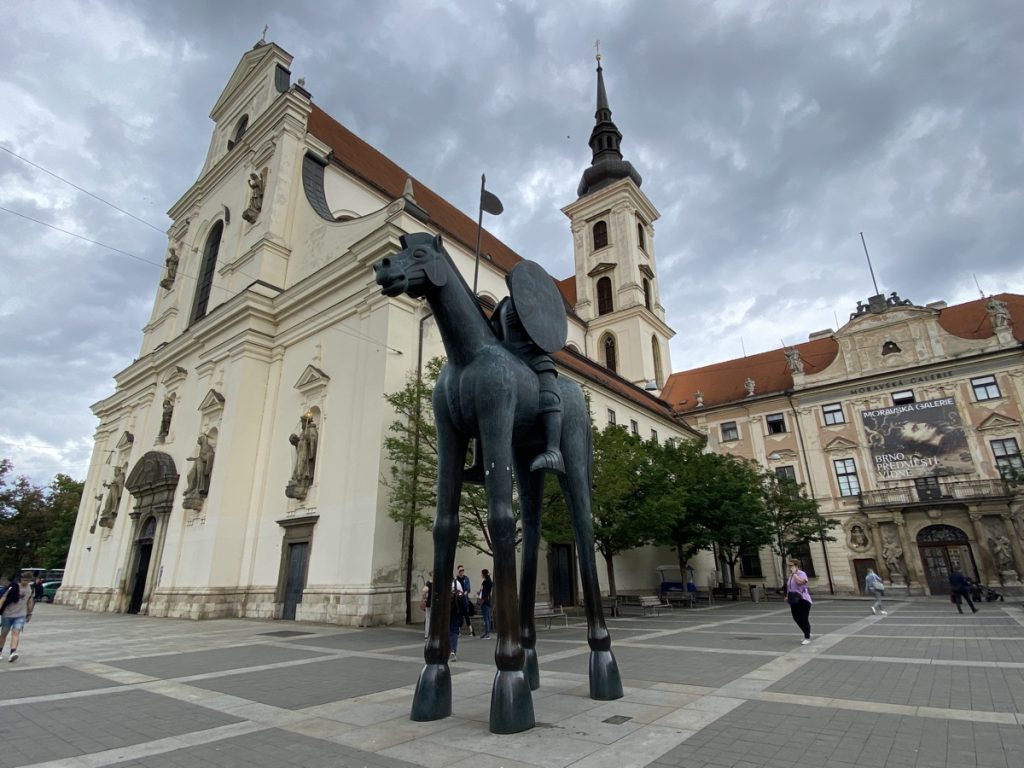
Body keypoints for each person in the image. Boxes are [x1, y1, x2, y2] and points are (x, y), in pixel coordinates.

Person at [0, 572, 34, 662]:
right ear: (21, 578)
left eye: (27, 580)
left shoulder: (30, 589)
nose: (25, 582)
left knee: (16, 633)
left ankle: (13, 652)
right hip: (7, 614)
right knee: (4, 634)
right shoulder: (13, 587)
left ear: (30, 580)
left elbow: (30, 601)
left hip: (20, 615)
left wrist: (30, 613)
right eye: (24, 579)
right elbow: (3, 599)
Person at [786, 558, 813, 644]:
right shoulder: (790, 576)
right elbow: (789, 587)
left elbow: (801, 583)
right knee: (796, 618)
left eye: (791, 565)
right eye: (788, 566)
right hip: (794, 599)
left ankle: (807, 637)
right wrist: (787, 596)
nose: (789, 567)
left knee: (803, 618)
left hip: (803, 599)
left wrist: (794, 574)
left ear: (796, 566)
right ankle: (806, 631)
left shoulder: (801, 573)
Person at [448, 576, 466, 661]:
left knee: (446, 630)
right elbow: (462, 598)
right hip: (455, 610)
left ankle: (446, 650)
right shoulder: (457, 583)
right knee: (454, 630)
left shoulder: (442, 583)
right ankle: (453, 650)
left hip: (446, 611)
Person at [455, 565, 474, 636]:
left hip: (464, 599)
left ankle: (471, 631)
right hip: (458, 599)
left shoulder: (466, 578)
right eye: (460, 570)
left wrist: (465, 593)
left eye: (463, 570)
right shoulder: (456, 580)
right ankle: (458, 631)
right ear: (458, 571)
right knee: (459, 615)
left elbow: (468, 589)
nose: (462, 572)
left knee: (466, 615)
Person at [479, 568, 493, 640]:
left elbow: (485, 592)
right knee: (487, 618)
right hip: (486, 600)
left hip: (485, 601)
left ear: (484, 574)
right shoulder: (488, 581)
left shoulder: (487, 582)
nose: (481, 574)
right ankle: (486, 633)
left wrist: (482, 599)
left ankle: (487, 634)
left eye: (481, 573)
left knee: (486, 618)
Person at [420, 572, 432, 640]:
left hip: (429, 603)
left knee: (428, 618)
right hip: (436, 603)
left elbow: (424, 591)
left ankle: (426, 635)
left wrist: (424, 598)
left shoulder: (429, 583)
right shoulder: (438, 583)